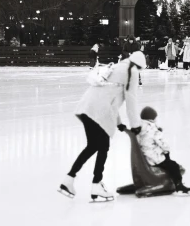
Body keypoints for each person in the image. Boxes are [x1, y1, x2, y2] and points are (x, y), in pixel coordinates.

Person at [58, 50, 146, 202]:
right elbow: (131, 99)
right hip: (100, 113)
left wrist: (119, 123)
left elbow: (108, 94)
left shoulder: (118, 67)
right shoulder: (131, 70)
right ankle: (96, 184)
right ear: (139, 65)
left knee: (93, 146)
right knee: (103, 146)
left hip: (87, 107)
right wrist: (136, 125)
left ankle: (69, 179)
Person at [136, 106, 190, 196]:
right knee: (174, 166)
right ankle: (179, 186)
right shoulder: (152, 129)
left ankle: (174, 179)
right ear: (151, 118)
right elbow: (161, 142)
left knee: (169, 161)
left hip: (146, 155)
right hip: (154, 157)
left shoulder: (140, 127)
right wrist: (166, 149)